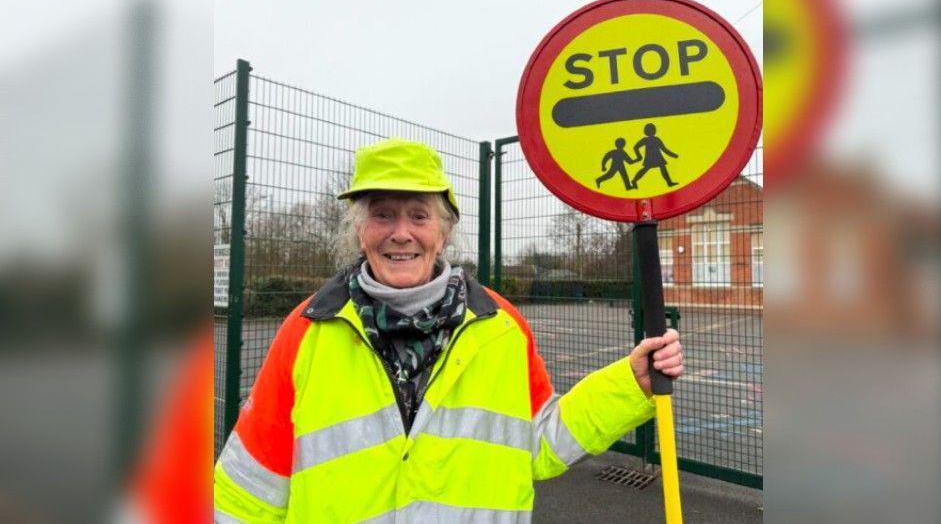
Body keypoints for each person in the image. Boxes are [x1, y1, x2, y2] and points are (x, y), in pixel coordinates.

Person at [214, 139, 684, 523]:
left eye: (418, 215)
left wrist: (629, 385)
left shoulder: (499, 327)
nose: (401, 233)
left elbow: (538, 443)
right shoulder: (305, 332)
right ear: (360, 231)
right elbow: (247, 491)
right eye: (382, 215)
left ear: (443, 231)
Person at [631, 122, 680, 189]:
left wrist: (673, 155)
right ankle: (634, 180)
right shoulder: (645, 140)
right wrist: (639, 156)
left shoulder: (657, 139)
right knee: (645, 169)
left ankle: (669, 182)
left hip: (658, 157)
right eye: (650, 130)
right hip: (650, 158)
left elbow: (664, 149)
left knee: (663, 168)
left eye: (652, 130)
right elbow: (636, 147)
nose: (652, 131)